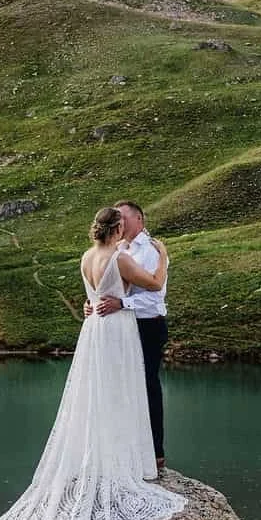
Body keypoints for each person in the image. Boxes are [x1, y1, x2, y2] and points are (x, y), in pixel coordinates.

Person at [0, 206, 185, 520]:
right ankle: (126, 461)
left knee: (99, 391)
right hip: (119, 331)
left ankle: (101, 455)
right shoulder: (121, 258)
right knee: (124, 390)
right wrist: (165, 257)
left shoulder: (85, 257)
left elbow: (95, 294)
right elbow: (155, 284)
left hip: (95, 330)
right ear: (116, 229)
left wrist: (93, 303)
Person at [86, 200, 168, 472]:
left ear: (138, 219)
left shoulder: (152, 250)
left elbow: (156, 296)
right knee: (121, 389)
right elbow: (108, 289)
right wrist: (94, 303)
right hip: (120, 328)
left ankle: (155, 452)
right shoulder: (117, 251)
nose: (121, 222)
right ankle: (124, 450)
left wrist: (123, 304)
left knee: (146, 387)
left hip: (146, 324)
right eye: (117, 218)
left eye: (124, 217)